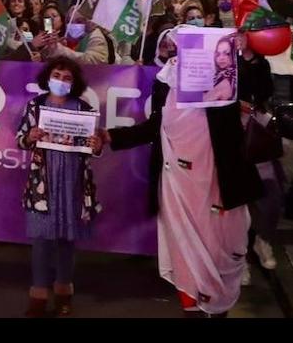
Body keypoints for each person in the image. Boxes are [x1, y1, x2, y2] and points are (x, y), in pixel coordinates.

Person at [103, 28, 263, 317]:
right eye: (176, 49)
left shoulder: (227, 84)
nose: (181, 56)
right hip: (177, 183)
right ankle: (191, 307)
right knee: (185, 252)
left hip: (218, 181)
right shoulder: (166, 83)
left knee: (219, 250)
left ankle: (217, 309)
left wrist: (246, 52)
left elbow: (256, 87)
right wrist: (111, 137)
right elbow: (156, 126)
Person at [15, 57, 104, 317]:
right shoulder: (35, 106)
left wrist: (96, 145)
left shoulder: (85, 109)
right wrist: (29, 137)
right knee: (41, 240)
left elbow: (93, 148)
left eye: (67, 78)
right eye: (57, 75)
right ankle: (38, 296)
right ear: (48, 77)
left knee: (67, 241)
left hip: (74, 181)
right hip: (42, 183)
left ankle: (64, 293)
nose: (61, 81)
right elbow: (20, 139)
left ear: (74, 83)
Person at [237, 42, 282, 283]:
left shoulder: (262, 64)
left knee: (269, 194)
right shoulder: (227, 59)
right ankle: (239, 257)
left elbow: (266, 93)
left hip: (256, 127)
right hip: (232, 129)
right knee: (236, 200)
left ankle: (262, 239)